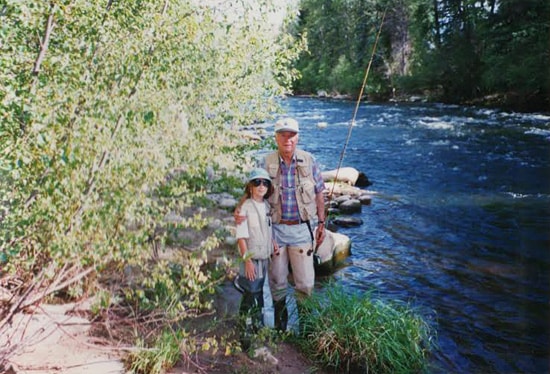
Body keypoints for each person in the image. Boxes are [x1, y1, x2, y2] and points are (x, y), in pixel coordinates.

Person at [236, 117, 326, 332]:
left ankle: (306, 330)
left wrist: (322, 222)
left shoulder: (310, 160)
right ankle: (280, 328)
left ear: (298, 137)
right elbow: (251, 191)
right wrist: (239, 210)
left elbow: (319, 192)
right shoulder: (265, 162)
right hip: (274, 231)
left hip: (302, 230)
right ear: (276, 137)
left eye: (291, 135)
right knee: (277, 283)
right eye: (283, 135)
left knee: (305, 284)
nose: (288, 139)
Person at [234, 168, 276, 348]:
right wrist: (248, 261)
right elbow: (241, 237)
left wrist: (273, 242)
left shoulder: (266, 206)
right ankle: (244, 331)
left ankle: (257, 327)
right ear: (250, 186)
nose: (261, 186)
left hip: (264, 258)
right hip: (252, 259)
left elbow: (267, 229)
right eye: (257, 182)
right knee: (250, 293)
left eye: (265, 183)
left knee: (259, 294)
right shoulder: (245, 207)